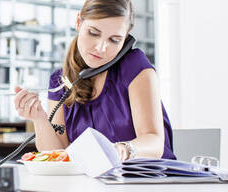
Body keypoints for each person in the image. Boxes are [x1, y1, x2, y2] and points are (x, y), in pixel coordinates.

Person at [14, 0, 176, 161]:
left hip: (145, 180)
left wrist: (123, 149)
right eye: (93, 33)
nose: (101, 48)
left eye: (114, 40)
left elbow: (154, 142)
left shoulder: (134, 66)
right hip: (95, 183)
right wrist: (39, 118)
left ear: (125, 39)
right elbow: (58, 152)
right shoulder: (60, 81)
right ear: (78, 22)